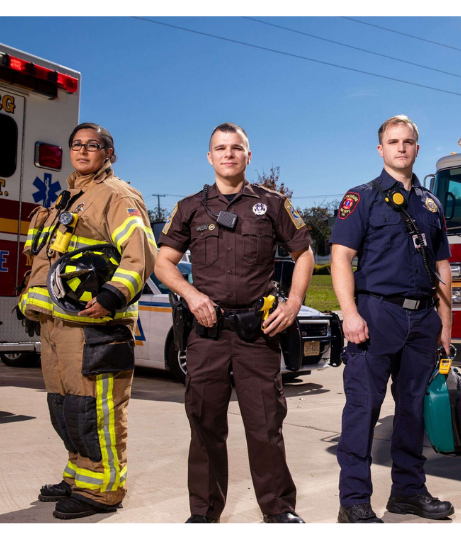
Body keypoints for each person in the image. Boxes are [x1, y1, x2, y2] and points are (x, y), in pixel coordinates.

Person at [154, 123, 314, 523]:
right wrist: (191, 295)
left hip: (257, 334)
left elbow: (305, 254)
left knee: (265, 426)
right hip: (206, 335)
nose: (229, 154)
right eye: (221, 148)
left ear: (248, 156)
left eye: (237, 148)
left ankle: (279, 511)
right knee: (205, 426)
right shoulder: (190, 207)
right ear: (209, 157)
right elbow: (163, 263)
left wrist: (294, 302)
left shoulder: (273, 204)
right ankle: (205, 514)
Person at [16, 123, 157, 519]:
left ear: (109, 154)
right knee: (65, 407)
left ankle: (103, 491)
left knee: (97, 410)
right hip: (56, 325)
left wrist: (112, 295)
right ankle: (80, 476)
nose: (82, 151)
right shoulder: (67, 199)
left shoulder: (116, 195)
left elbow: (140, 251)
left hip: (94, 327)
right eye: (76, 144)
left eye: (92, 145)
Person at [329, 115, 454, 523]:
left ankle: (408, 492)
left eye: (408, 141)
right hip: (375, 314)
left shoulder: (431, 204)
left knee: (413, 410)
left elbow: (442, 264)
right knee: (364, 408)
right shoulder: (360, 198)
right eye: (393, 141)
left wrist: (445, 324)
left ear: (418, 148)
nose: (401, 147)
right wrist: (349, 313)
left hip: (422, 321)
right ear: (380, 149)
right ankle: (354, 501)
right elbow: (341, 259)